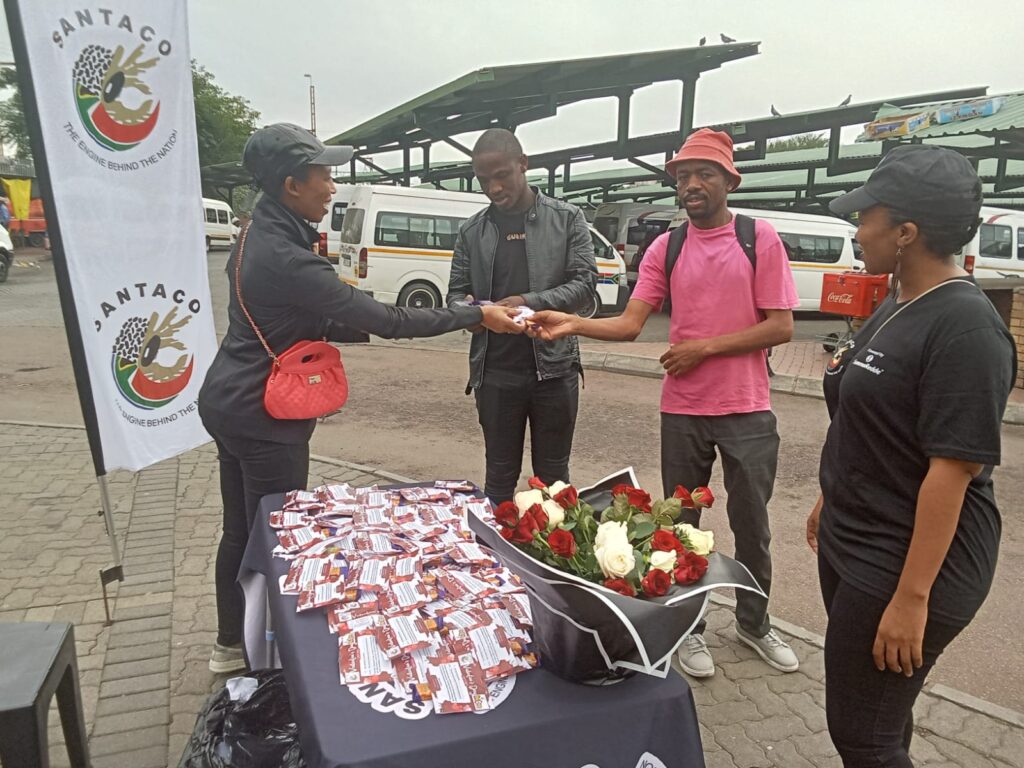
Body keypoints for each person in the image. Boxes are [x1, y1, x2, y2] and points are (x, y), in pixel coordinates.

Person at [198, 123, 523, 673]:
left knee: (241, 529)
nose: (331, 185)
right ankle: (269, 663)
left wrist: (348, 321)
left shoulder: (259, 231)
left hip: (228, 397)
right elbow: (389, 318)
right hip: (263, 414)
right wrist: (476, 314)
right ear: (290, 183)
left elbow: (304, 312)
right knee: (276, 537)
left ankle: (230, 643)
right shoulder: (286, 251)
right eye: (323, 174)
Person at [527, 128, 800, 678]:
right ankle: (690, 630)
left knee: (752, 525)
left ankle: (753, 623)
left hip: (747, 408)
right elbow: (631, 324)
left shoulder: (758, 237)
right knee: (679, 530)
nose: (692, 184)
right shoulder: (667, 246)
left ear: (728, 180)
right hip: (684, 410)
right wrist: (574, 322)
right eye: (682, 176)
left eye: (704, 174)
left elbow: (781, 326)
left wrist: (705, 348)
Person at [806, 145, 1016, 767]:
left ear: (906, 232)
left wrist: (911, 599)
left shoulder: (967, 329)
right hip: (857, 535)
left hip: (910, 562)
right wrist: (828, 496)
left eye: (865, 216)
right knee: (880, 718)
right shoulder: (898, 302)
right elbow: (865, 419)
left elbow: (951, 473)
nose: (856, 228)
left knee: (862, 736)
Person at [446, 128, 597, 504]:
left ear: (523, 165)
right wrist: (480, 312)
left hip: (554, 372)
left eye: (502, 176)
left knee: (554, 484)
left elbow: (585, 284)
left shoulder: (567, 218)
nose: (494, 188)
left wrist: (528, 301)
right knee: (498, 480)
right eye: (484, 180)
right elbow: (453, 296)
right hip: (494, 374)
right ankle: (495, 560)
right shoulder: (471, 231)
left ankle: (549, 561)